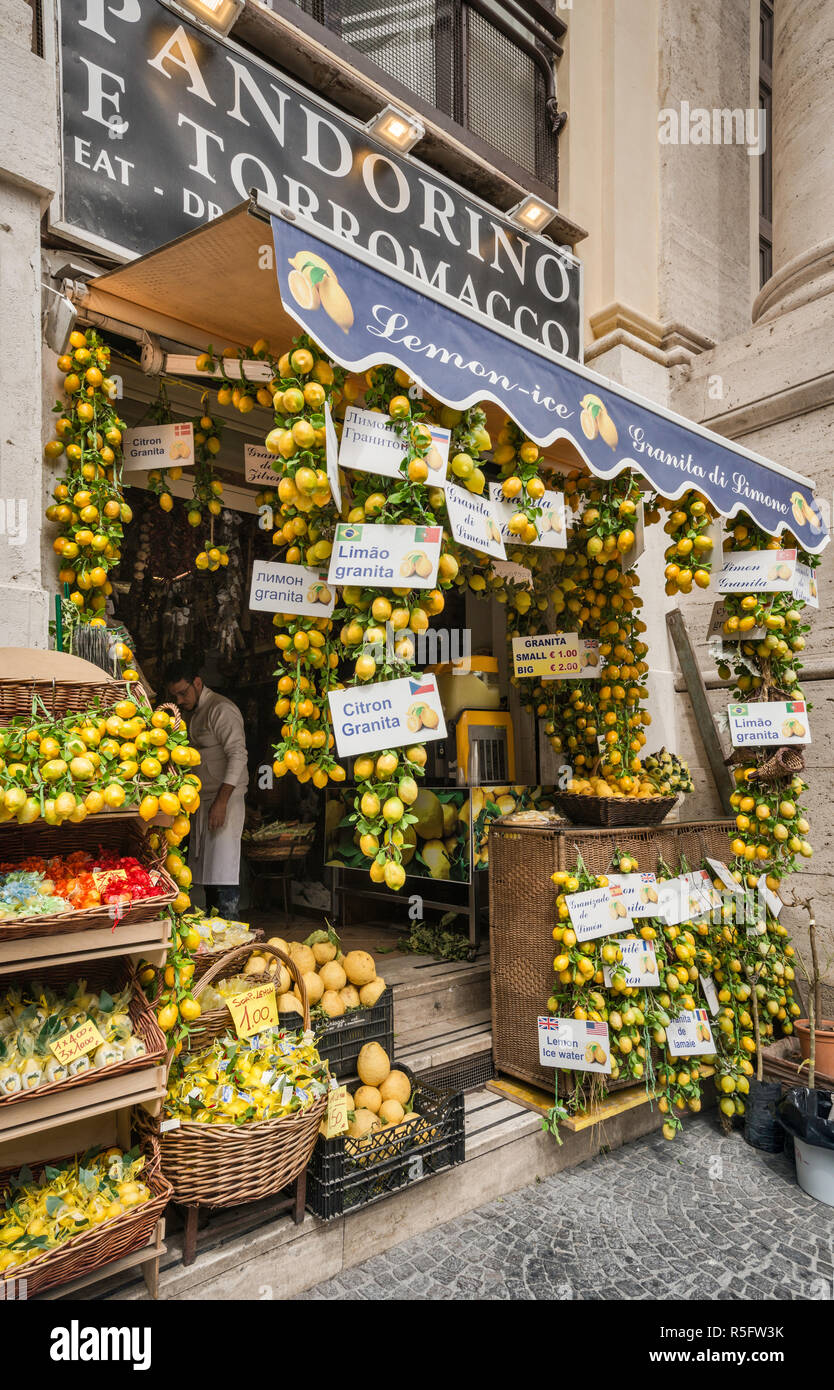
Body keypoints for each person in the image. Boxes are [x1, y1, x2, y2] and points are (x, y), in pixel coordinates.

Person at [164, 659, 248, 918]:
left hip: (226, 798)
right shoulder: (192, 712)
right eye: (174, 695)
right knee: (208, 872)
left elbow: (238, 755)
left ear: (197, 683)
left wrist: (221, 802)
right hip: (201, 800)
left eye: (183, 692)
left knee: (223, 868)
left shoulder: (221, 709)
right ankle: (215, 927)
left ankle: (230, 926)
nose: (179, 700)